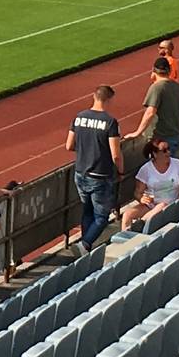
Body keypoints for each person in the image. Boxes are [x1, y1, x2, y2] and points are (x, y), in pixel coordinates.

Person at [66, 85, 125, 250]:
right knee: (101, 216)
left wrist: (86, 149)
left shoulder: (79, 117)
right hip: (100, 174)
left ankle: (85, 246)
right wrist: (120, 171)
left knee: (87, 211)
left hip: (80, 172)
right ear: (108, 99)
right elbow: (116, 154)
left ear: (94, 96)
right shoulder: (110, 122)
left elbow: (69, 145)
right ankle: (85, 244)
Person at [118, 137, 179, 232]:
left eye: (168, 149)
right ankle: (124, 239)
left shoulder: (177, 164)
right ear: (155, 154)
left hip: (172, 204)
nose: (168, 152)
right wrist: (141, 198)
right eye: (164, 151)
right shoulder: (145, 170)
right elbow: (138, 193)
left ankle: (141, 224)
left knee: (162, 205)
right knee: (127, 215)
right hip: (151, 205)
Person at [135, 57, 179, 156]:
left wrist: (138, 132)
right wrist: (177, 124)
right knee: (170, 164)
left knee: (161, 167)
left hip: (161, 137)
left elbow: (150, 112)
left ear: (154, 71)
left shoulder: (157, 87)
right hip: (175, 134)